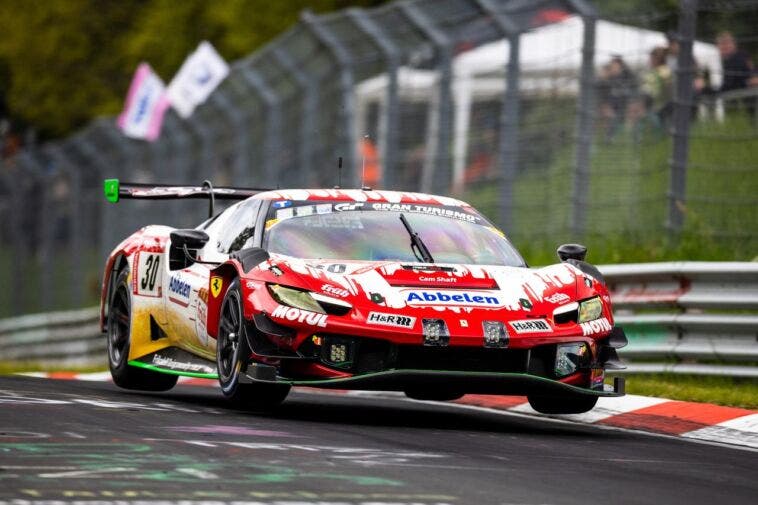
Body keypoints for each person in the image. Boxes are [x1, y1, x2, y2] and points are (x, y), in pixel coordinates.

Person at [597, 55, 638, 142]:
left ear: (621, 65)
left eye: (616, 65)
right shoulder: (608, 77)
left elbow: (635, 89)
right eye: (613, 66)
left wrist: (633, 103)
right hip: (613, 104)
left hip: (627, 103)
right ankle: (609, 138)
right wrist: (603, 78)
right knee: (612, 117)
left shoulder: (628, 75)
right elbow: (601, 91)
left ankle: (636, 138)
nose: (614, 67)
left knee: (631, 116)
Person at [641, 46, 674, 130]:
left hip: (660, 104)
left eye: (652, 58)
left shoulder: (664, 70)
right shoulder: (651, 71)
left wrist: (659, 102)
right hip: (648, 101)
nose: (650, 60)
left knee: (658, 123)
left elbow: (668, 88)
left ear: (658, 59)